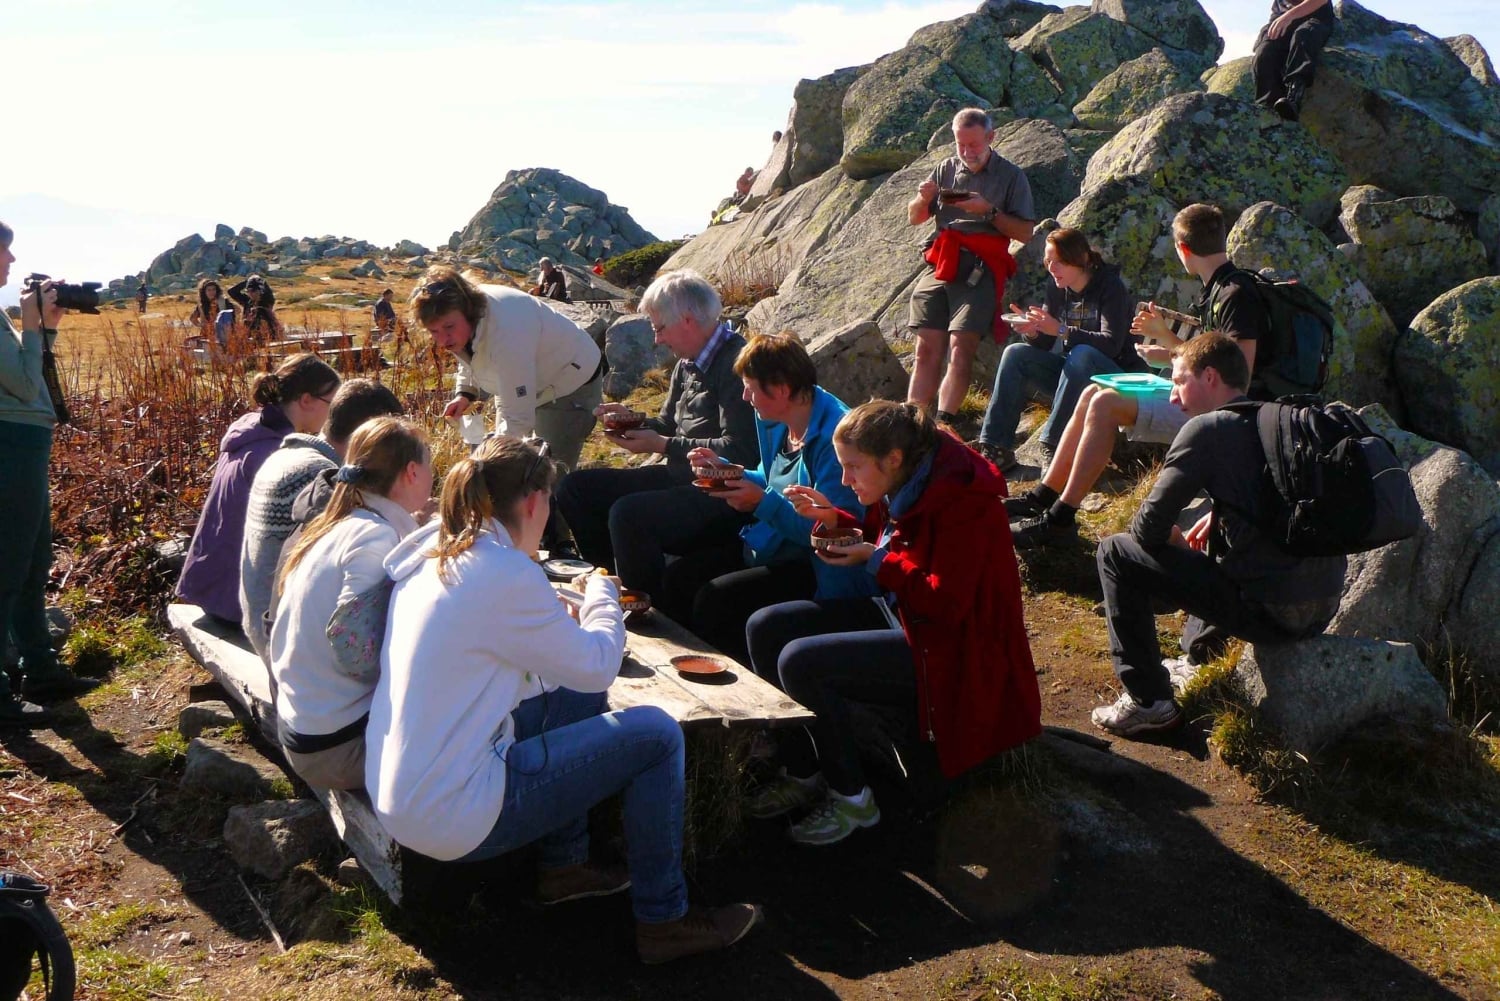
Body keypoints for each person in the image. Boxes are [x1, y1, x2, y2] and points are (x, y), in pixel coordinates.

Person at [367, 435, 762, 963]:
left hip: (402, 790)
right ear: (533, 502)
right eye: (549, 501)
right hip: (455, 812)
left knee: (577, 697)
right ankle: (665, 920)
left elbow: (552, 673)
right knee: (657, 735)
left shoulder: (441, 553)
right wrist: (601, 592)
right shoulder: (504, 572)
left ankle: (565, 866)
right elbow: (599, 661)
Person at [743, 401, 1041, 845]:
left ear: (893, 459)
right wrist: (833, 519)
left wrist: (875, 560)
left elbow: (947, 604)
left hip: (955, 649)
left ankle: (853, 799)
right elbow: (888, 544)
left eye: (853, 467)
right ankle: (805, 769)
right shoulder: (912, 478)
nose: (846, 480)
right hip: (907, 616)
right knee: (766, 627)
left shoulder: (964, 502)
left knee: (802, 662)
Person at [1090, 333, 1346, 737]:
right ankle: (1200, 656)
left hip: (1272, 613)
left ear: (1209, 377)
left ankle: (1149, 701)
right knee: (1223, 545)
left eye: (1178, 381)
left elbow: (1146, 529)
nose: (1173, 396)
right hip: (1324, 604)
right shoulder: (1273, 421)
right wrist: (1219, 514)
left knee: (1115, 552)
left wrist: (1173, 539)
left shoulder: (1207, 430)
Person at [1005, 203, 1271, 552]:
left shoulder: (1234, 295)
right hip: (1201, 397)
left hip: (1225, 417)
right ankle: (1044, 496)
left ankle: (1060, 519)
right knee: (1092, 394)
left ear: (1183, 249)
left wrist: (1170, 342)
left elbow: (1236, 378)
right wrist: (1171, 355)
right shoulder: (1218, 290)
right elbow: (1213, 364)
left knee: (1103, 403)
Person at [662, 333, 875, 664]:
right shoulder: (775, 420)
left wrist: (761, 503)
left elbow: (832, 533)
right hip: (772, 545)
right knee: (682, 578)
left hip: (815, 568)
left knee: (718, 602)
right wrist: (727, 471)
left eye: (750, 387)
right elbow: (770, 477)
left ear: (781, 390)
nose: (745, 396)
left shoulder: (837, 439)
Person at [554, 269, 758, 603]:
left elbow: (741, 451)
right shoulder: (688, 362)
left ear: (688, 320)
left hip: (724, 495)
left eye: (660, 328)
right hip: (681, 476)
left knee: (629, 514)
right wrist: (631, 423)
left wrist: (661, 445)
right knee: (575, 489)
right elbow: (667, 423)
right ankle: (607, 589)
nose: (658, 339)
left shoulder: (737, 365)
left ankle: (647, 612)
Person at [268, 417, 431, 789]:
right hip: (338, 750)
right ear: (411, 472)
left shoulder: (338, 523)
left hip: (305, 729)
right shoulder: (374, 539)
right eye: (429, 468)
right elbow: (355, 651)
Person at [0, 223, 99, 725]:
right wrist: (33, 326)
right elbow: (19, 383)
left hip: (25, 444)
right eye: (4, 250)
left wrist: (47, 327)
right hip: (8, 445)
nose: (12, 261)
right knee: (7, 565)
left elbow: (27, 375)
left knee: (32, 561)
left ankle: (40, 667)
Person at [240, 379, 405, 664]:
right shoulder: (320, 474)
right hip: (281, 643)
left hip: (265, 621)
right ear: (368, 434)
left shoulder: (290, 455)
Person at [176, 353, 340, 627]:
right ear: (307, 400)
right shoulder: (279, 454)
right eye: (331, 404)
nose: (332, 415)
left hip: (208, 586)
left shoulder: (252, 430)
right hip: (237, 602)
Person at [906, 107, 1036, 428]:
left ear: (991, 138)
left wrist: (988, 212)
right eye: (960, 145)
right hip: (941, 263)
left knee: (960, 347)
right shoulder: (945, 169)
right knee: (925, 349)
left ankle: (943, 423)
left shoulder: (1010, 176)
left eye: (974, 144)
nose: (967, 152)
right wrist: (923, 200)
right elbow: (915, 218)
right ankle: (910, 423)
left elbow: (1024, 232)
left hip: (981, 268)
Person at [971, 228, 1141, 472]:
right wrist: (1033, 330)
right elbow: (1044, 343)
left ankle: (1054, 443)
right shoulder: (1057, 286)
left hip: (1115, 377)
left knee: (1081, 353)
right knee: (1016, 353)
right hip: (1074, 375)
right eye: (1048, 261)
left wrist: (1062, 330)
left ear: (1080, 259)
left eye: (1059, 262)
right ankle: (996, 447)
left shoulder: (1109, 286)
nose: (1052, 268)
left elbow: (1111, 345)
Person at [411, 265, 602, 475]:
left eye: (448, 327)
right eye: (433, 331)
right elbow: (470, 353)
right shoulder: (464, 320)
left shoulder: (507, 331)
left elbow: (518, 419)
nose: (442, 339)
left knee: (549, 475)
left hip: (569, 379)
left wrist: (484, 463)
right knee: (513, 469)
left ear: (468, 311)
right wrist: (464, 393)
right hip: (522, 377)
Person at [1252, 0, 1335, 122]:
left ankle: (1293, 99)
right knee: (1265, 53)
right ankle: (1267, 106)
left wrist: (1290, 15)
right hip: (1281, 18)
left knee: (1303, 37)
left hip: (1315, 17)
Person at [228, 274, 283, 343]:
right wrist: (248, 281)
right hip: (249, 336)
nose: (250, 293)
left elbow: (267, 292)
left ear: (260, 291)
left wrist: (259, 281)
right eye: (248, 291)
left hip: (264, 336)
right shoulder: (247, 302)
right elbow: (231, 292)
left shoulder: (266, 302)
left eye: (253, 291)